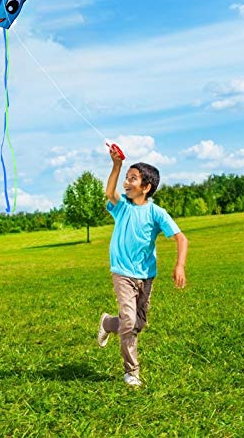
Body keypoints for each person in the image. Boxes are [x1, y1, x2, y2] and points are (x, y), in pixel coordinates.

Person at [97, 145, 188, 387]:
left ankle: (107, 323)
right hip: (122, 272)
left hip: (146, 275)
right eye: (126, 178)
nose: (126, 183)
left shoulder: (157, 213)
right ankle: (131, 372)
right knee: (129, 321)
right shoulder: (122, 207)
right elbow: (109, 192)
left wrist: (179, 266)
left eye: (132, 179)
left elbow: (181, 238)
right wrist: (116, 166)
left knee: (138, 323)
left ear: (146, 187)